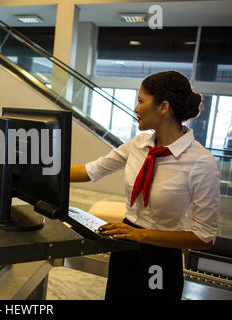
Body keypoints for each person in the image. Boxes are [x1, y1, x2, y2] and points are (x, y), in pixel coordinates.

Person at [70, 70, 220, 300]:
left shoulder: (201, 163)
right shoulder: (138, 144)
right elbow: (90, 170)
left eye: (141, 101)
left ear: (163, 107)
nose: (135, 109)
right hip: (124, 246)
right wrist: (35, 170)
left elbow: (205, 238)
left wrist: (142, 235)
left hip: (160, 258)